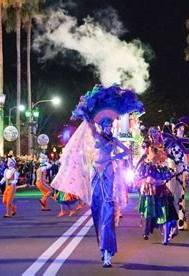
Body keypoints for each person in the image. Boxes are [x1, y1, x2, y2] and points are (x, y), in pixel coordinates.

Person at [51, 84, 144, 268]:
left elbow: (126, 151)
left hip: (108, 174)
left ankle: (108, 251)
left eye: (111, 125)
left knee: (108, 212)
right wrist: (86, 113)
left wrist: (113, 158)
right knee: (96, 210)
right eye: (107, 125)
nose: (109, 128)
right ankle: (102, 248)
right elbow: (90, 126)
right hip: (96, 175)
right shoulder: (97, 136)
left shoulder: (114, 140)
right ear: (103, 126)